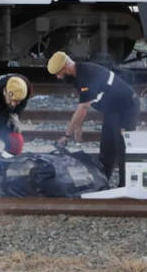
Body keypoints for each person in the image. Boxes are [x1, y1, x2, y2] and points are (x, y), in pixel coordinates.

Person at [47, 51, 140, 188]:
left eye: (59, 73)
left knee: (122, 148)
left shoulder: (85, 74)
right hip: (112, 110)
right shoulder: (78, 74)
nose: (58, 77)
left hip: (126, 108)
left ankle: (125, 186)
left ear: (66, 67)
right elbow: (84, 102)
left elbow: (83, 108)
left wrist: (67, 135)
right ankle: (103, 182)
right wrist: (78, 127)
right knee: (107, 147)